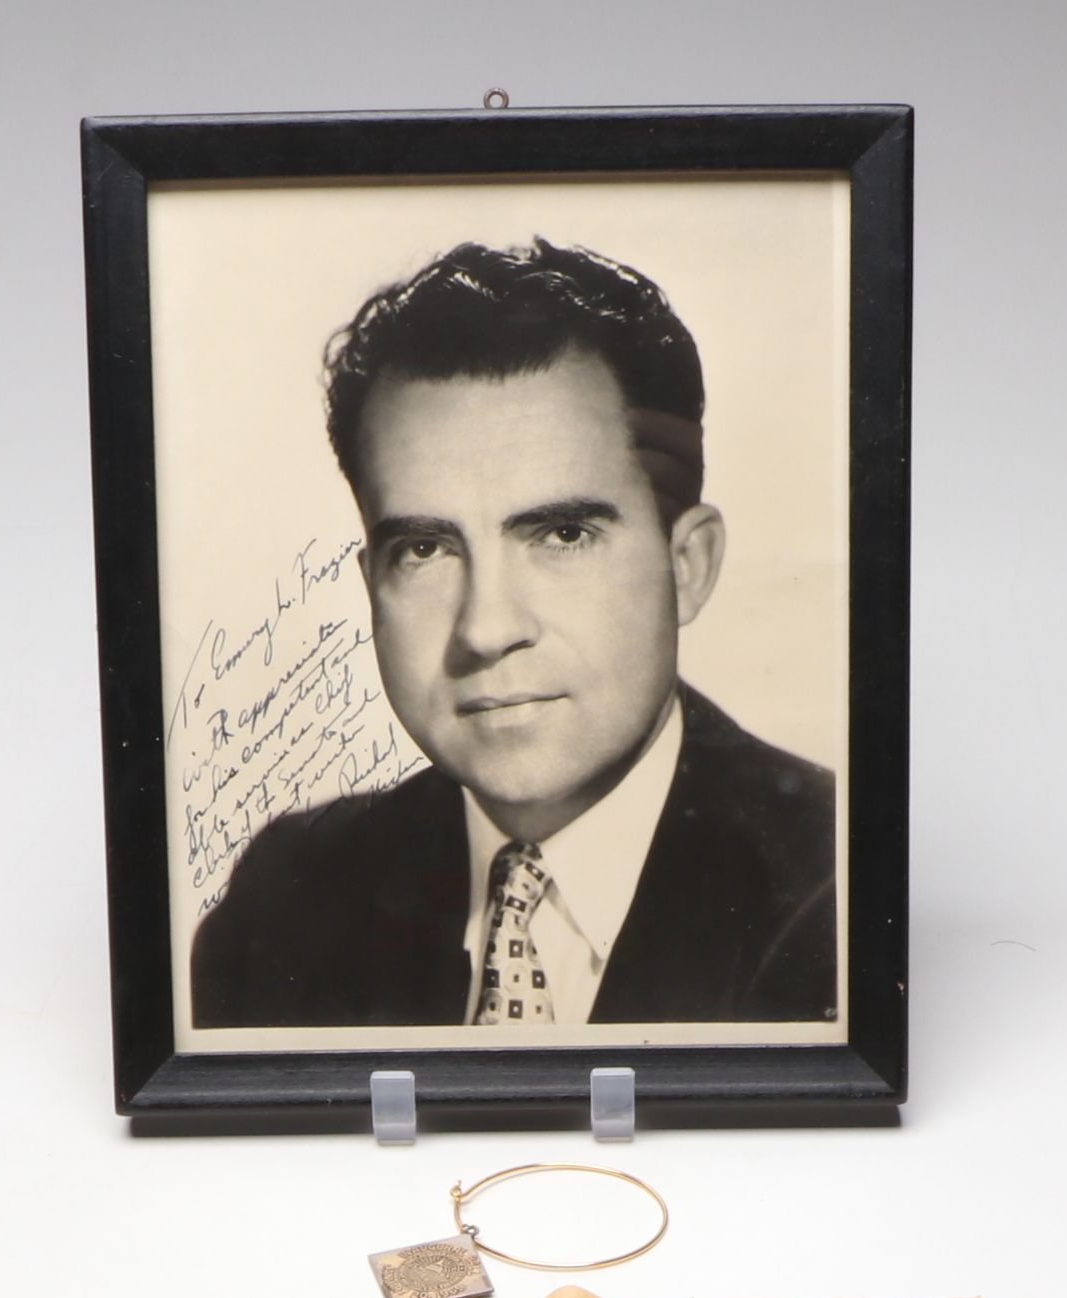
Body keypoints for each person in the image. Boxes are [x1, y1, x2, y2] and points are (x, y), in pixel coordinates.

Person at [190, 239, 838, 1031]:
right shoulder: (286, 899)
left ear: (688, 567)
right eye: (425, 550)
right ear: (372, 587)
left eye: (561, 535)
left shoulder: (835, 893)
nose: (487, 630)